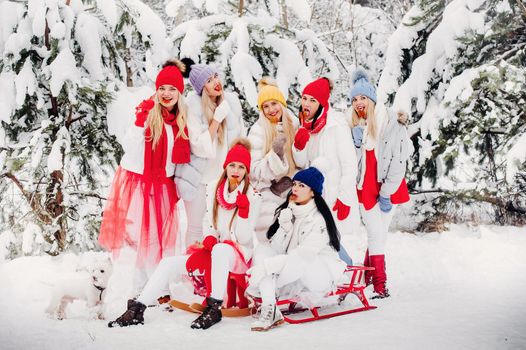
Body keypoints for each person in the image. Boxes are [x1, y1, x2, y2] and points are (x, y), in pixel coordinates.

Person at [108, 139, 261, 330]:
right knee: (168, 263)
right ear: (225, 166)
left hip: (238, 255)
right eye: (232, 165)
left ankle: (214, 308)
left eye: (241, 167)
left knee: (222, 249)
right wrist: (210, 236)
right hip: (214, 250)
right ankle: (138, 309)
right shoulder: (214, 188)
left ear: (246, 170)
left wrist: (244, 211)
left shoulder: (253, 196)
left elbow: (245, 239)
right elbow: (208, 220)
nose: (236, 171)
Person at [98, 60, 190, 295]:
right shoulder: (148, 114)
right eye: (162, 89)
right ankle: (145, 289)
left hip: (165, 185)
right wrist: (140, 123)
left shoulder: (180, 121)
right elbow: (130, 147)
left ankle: (154, 287)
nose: (166, 94)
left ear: (180, 93)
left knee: (161, 241)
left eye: (172, 89)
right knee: (147, 240)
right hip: (141, 182)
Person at [247, 167, 347, 331]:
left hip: (318, 275)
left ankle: (267, 288)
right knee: (262, 250)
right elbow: (276, 250)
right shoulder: (289, 211)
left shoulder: (319, 220)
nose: (294, 188)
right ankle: (270, 308)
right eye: (294, 183)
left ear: (313, 192)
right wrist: (284, 228)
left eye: (302, 185)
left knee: (300, 255)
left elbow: (304, 255)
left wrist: (266, 269)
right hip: (293, 273)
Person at [347, 68, 411, 299]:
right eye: (354, 99)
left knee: (379, 234)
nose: (358, 103)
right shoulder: (354, 127)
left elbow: (398, 162)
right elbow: (353, 166)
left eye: (362, 97)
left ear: (372, 98)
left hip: (388, 187)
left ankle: (367, 279)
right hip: (366, 188)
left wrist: (386, 193)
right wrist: (354, 145)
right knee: (376, 233)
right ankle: (380, 285)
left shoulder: (392, 123)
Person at [176, 58, 246, 249]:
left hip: (222, 177)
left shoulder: (230, 103)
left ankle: (216, 270)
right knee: (195, 227)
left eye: (215, 76)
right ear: (201, 88)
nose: (216, 82)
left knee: (222, 227)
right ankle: (191, 272)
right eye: (209, 80)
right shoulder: (193, 107)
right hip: (198, 177)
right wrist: (217, 118)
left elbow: (240, 138)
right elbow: (199, 146)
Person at [291, 77, 359, 264]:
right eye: (305, 98)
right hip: (313, 196)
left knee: (331, 238)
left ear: (321, 104)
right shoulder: (303, 126)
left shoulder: (336, 126)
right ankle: (338, 276)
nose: (306, 104)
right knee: (321, 239)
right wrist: (298, 146)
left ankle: (347, 272)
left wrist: (344, 197)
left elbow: (349, 164)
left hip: (334, 194)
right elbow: (301, 164)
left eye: (312, 100)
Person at [247, 78, 298, 242]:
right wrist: (274, 155)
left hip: (294, 191)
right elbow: (254, 170)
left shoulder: (294, 125)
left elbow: (303, 160)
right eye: (265, 106)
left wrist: (291, 181)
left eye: (274, 103)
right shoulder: (257, 131)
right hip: (268, 196)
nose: (271, 110)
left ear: (281, 103)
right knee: (272, 243)